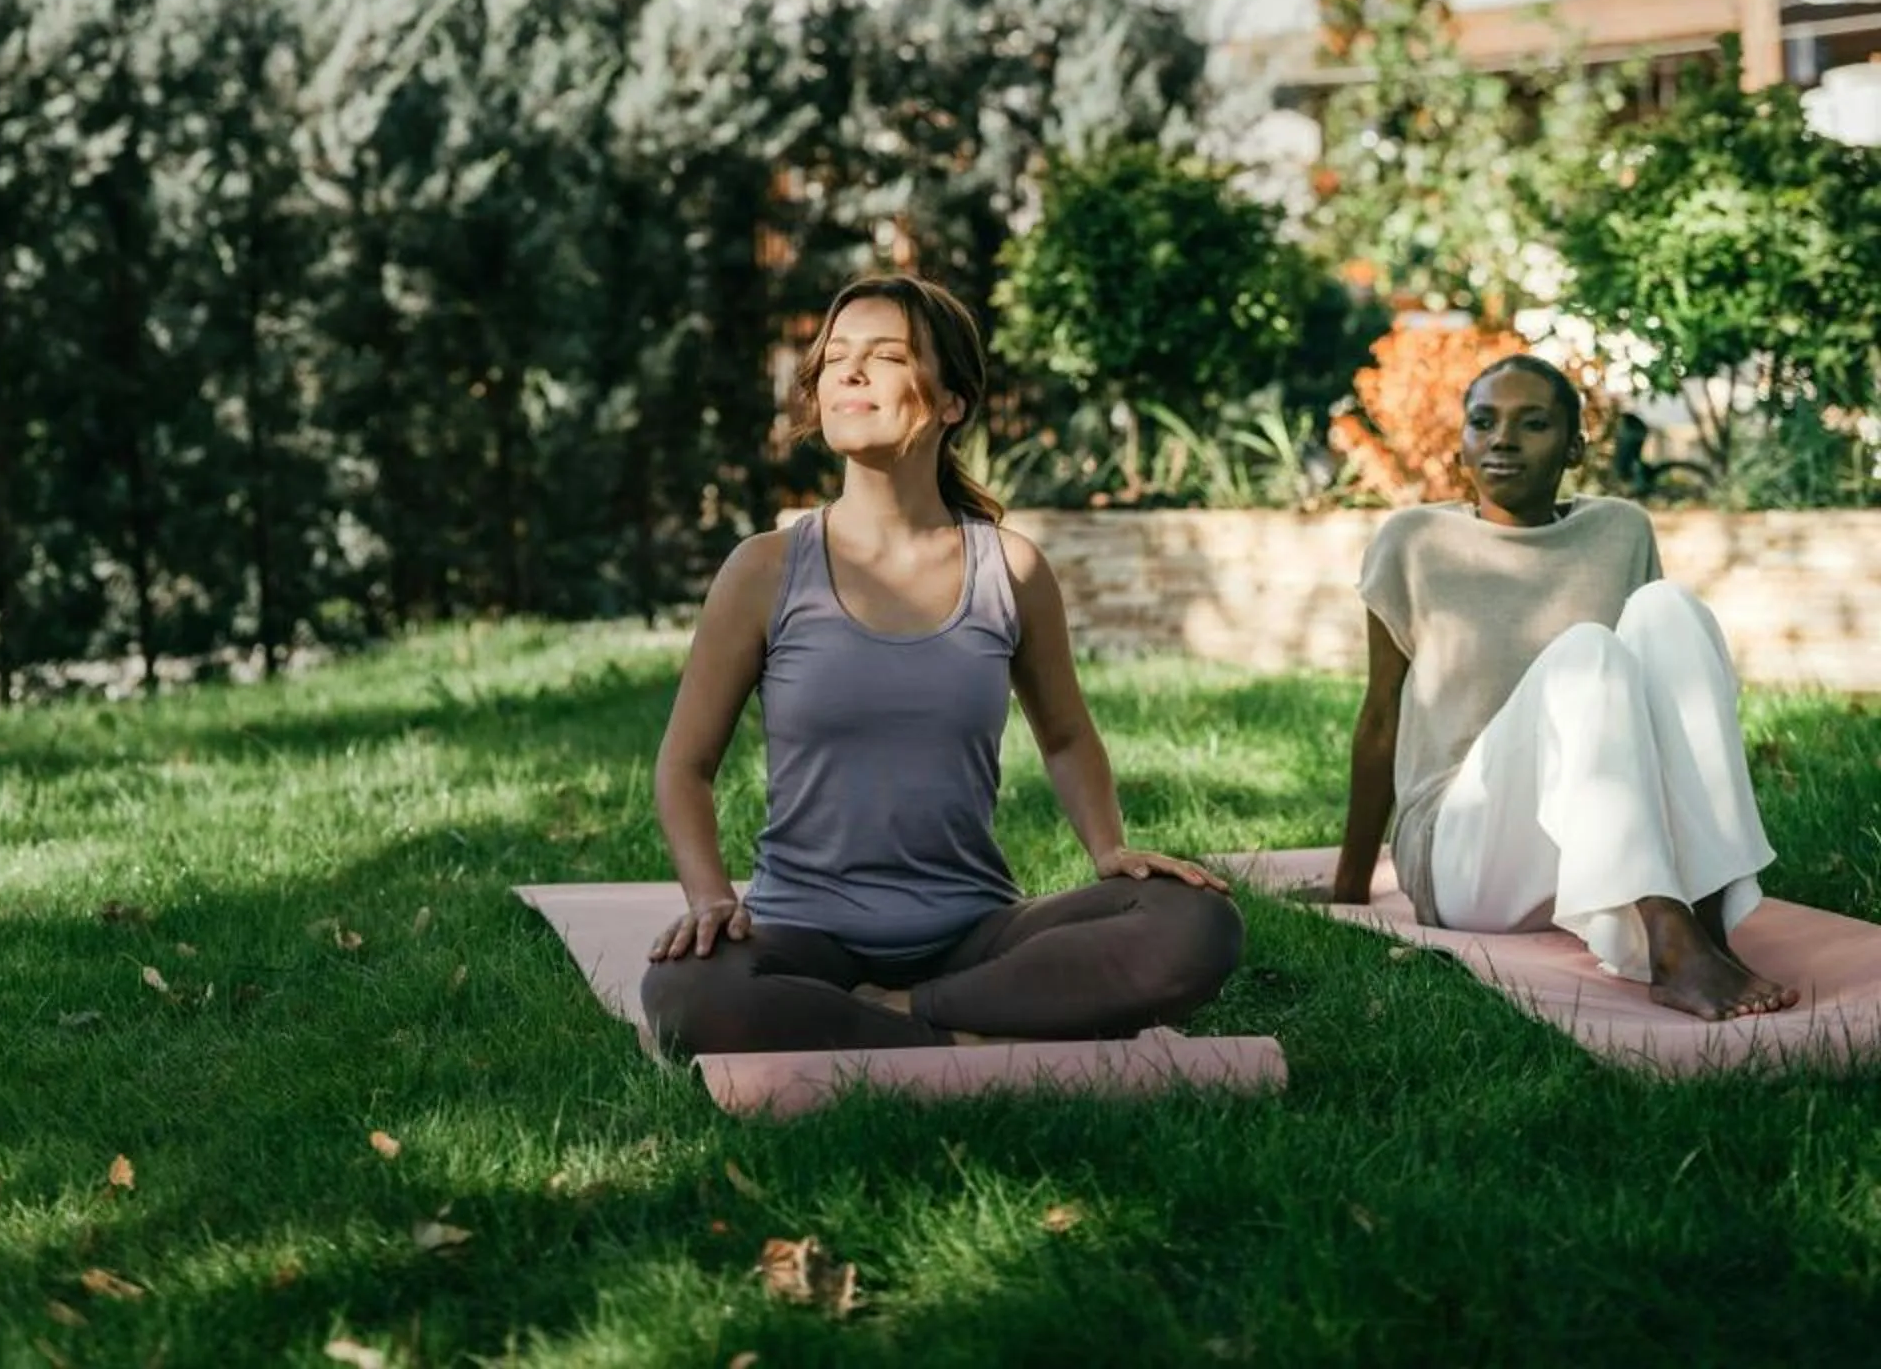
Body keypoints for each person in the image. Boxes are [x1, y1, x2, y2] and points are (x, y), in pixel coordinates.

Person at [641, 274, 1242, 1056]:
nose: (848, 374)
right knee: (690, 992)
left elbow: (1064, 737)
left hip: (974, 929)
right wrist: (711, 898)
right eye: (836, 358)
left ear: (952, 401)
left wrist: (1108, 851)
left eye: (885, 356)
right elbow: (684, 766)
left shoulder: (1011, 570)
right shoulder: (764, 569)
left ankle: (890, 1016)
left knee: (1194, 922)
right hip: (804, 931)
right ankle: (972, 1024)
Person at [1323, 352, 1799, 1022]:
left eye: (1533, 423)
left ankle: (1706, 921)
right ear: (1462, 445)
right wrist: (1350, 891)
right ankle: (1667, 939)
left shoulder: (1620, 530)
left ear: (1575, 445)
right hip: (1465, 852)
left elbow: (1661, 692)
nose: (1502, 440)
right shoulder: (1414, 540)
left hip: (1585, 851)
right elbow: (1380, 718)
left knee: (1670, 608)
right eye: (1483, 422)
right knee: (1587, 651)